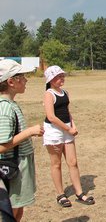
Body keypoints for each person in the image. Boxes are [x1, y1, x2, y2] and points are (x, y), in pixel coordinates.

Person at [43, 65, 95, 207]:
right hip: (54, 131)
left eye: (62, 76)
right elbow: (51, 117)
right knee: (56, 163)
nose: (62, 78)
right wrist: (68, 128)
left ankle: (79, 193)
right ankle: (61, 194)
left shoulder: (64, 92)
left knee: (72, 162)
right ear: (51, 79)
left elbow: (67, 111)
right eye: (59, 77)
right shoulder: (49, 94)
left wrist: (73, 125)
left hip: (67, 129)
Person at [0, 59, 44, 222]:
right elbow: (1, 146)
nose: (26, 80)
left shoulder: (10, 104)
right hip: (13, 166)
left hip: (19, 165)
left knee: (18, 209)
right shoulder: (5, 108)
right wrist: (29, 132)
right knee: (12, 211)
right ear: (11, 81)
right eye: (22, 76)